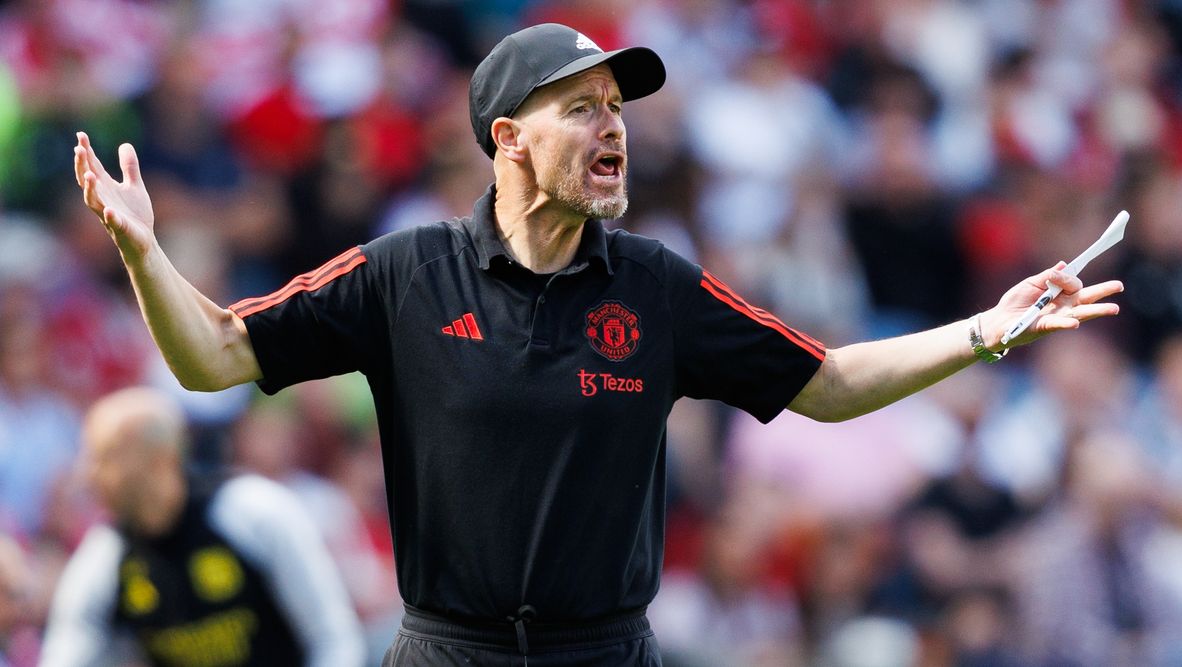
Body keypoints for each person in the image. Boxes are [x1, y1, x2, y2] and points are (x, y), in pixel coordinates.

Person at [71, 22, 1123, 667]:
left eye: (616, 108)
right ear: (508, 141)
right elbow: (211, 355)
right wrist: (143, 252)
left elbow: (833, 383)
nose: (613, 127)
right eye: (582, 108)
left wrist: (987, 330)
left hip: (608, 654)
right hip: (448, 654)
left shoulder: (656, 284)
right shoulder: (402, 273)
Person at [38, 387, 366, 666]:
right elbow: (65, 653)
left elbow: (334, 638)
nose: (89, 475)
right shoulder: (105, 556)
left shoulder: (253, 511)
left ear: (160, 459)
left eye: (104, 457)